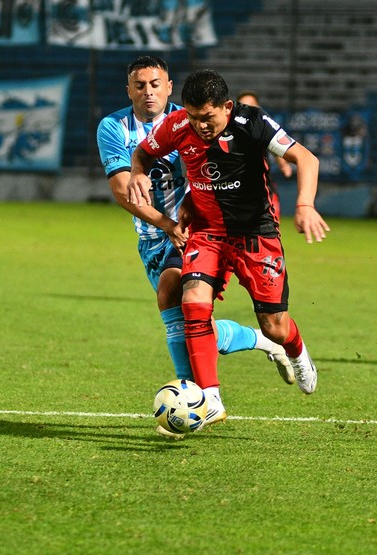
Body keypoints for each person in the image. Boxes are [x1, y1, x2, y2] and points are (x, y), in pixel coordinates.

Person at [96, 57, 295, 437]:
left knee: (175, 293)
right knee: (187, 323)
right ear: (129, 90)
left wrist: (187, 216)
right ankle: (263, 342)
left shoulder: (192, 118)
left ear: (169, 87)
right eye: (140, 85)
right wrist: (164, 223)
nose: (148, 92)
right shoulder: (113, 127)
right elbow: (123, 192)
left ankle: (199, 402)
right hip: (154, 234)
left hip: (196, 230)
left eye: (155, 84)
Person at [127, 69, 330, 426]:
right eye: (194, 117)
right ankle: (210, 398)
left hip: (255, 234)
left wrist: (305, 205)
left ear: (226, 106)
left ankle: (296, 352)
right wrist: (138, 172)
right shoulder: (178, 125)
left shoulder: (251, 123)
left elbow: (306, 159)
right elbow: (143, 153)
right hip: (207, 232)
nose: (201, 125)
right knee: (193, 301)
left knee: (274, 327)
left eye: (207, 117)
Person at [236, 90, 293, 217]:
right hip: (238, 189)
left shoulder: (263, 127)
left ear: (258, 107)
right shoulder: (231, 130)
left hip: (264, 186)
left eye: (251, 105)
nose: (248, 109)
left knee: (271, 223)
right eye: (244, 105)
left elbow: (276, 147)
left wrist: (283, 165)